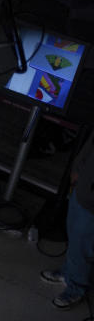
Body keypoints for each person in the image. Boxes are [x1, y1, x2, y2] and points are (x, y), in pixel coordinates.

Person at [41, 129, 94, 309]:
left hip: (91, 201)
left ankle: (76, 287)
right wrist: (77, 167)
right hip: (83, 186)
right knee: (74, 233)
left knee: (84, 243)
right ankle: (68, 272)